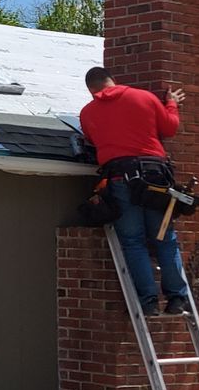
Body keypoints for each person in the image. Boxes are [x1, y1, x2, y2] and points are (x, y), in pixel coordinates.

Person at [79, 66, 192, 315]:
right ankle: (176, 299)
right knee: (164, 239)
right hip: (155, 178)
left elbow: (92, 140)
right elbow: (170, 128)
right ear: (113, 81)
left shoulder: (87, 113)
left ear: (91, 90)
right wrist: (171, 104)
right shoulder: (144, 97)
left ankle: (148, 302)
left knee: (132, 242)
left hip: (120, 179)